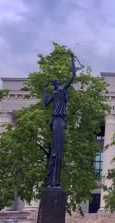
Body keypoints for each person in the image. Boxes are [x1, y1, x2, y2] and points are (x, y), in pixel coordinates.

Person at [43, 53, 76, 187]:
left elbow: (73, 76)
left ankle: (55, 181)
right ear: (54, 84)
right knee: (55, 150)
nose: (58, 83)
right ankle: (51, 181)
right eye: (55, 82)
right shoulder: (55, 93)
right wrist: (45, 90)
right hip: (55, 120)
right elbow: (46, 103)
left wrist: (72, 59)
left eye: (57, 82)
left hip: (61, 120)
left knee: (58, 151)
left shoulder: (62, 89)